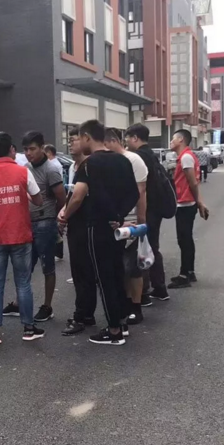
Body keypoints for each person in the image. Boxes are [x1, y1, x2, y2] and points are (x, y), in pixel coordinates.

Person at [0, 132, 45, 345]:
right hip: (20, 235)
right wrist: (25, 196)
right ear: (11, 149)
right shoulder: (23, 172)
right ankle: (29, 328)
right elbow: (39, 201)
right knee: (23, 283)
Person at [71, 120, 139, 346]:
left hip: (97, 226)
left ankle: (114, 330)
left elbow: (94, 195)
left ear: (87, 137)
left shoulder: (89, 164)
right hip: (118, 227)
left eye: (80, 138)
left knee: (104, 278)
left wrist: (111, 216)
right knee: (117, 273)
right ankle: (122, 322)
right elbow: (134, 193)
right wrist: (119, 216)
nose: (79, 142)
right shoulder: (122, 159)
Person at [2, 132, 66, 322]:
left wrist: (56, 219)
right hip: (27, 223)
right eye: (26, 149)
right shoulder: (25, 168)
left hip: (45, 222)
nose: (28, 153)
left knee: (47, 266)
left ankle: (47, 306)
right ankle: (18, 302)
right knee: (24, 266)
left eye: (32, 149)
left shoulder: (51, 169)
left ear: (42, 147)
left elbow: (61, 198)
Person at [104, 128, 148, 325]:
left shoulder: (134, 160)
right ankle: (126, 304)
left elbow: (141, 193)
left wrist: (141, 222)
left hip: (131, 221)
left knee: (133, 267)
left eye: (106, 145)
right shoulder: (108, 161)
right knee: (120, 267)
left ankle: (136, 307)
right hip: (113, 222)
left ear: (114, 141)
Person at [58, 128, 97, 336]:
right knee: (79, 271)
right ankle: (86, 313)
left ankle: (81, 315)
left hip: (86, 225)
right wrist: (64, 211)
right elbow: (71, 194)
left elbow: (79, 197)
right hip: (75, 224)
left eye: (74, 140)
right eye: (69, 140)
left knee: (84, 272)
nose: (70, 144)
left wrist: (65, 215)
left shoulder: (89, 166)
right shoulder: (73, 167)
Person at [125, 124, 170, 303]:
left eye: (128, 138)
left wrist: (140, 217)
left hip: (146, 209)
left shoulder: (138, 157)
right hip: (156, 208)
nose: (126, 142)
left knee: (142, 249)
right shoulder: (151, 155)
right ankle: (159, 288)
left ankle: (143, 293)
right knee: (152, 247)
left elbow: (140, 189)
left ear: (135, 138)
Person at [167, 129, 210, 288]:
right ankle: (189, 272)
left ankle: (184, 275)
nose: (171, 141)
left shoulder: (185, 157)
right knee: (186, 239)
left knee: (184, 240)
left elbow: (193, 183)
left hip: (185, 204)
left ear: (181, 140)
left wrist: (199, 202)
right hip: (186, 203)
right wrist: (199, 202)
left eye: (173, 139)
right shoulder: (185, 156)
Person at [44, 143, 66, 260]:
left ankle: (58, 253)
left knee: (56, 228)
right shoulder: (54, 163)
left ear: (49, 153)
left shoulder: (53, 165)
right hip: (55, 196)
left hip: (55, 197)